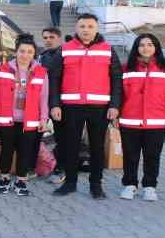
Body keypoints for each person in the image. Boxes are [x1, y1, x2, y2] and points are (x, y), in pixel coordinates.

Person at [49, 13, 123, 199]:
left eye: (90, 26)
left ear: (97, 29)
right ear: (76, 28)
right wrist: (55, 104)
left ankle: (96, 185)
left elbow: (116, 79)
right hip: (71, 107)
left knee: (97, 147)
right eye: (82, 26)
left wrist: (114, 105)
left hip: (99, 108)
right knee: (70, 146)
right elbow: (54, 79)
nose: (86, 30)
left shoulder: (108, 50)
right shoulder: (65, 49)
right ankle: (70, 183)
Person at [0, 34, 49, 196]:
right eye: (22, 51)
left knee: (25, 151)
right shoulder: (3, 70)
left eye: (29, 52)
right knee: (6, 150)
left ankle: (21, 180)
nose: (25, 55)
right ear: (16, 52)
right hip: (6, 119)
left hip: (30, 121)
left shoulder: (41, 72)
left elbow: (44, 98)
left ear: (34, 53)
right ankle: (5, 179)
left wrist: (44, 119)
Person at [118, 34, 165, 202]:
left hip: (156, 120)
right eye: (142, 45)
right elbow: (119, 93)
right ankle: (130, 185)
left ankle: (150, 187)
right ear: (136, 48)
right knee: (130, 155)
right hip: (130, 119)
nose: (146, 48)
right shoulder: (126, 68)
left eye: (150, 44)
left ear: (156, 47)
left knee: (152, 155)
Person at [39, 27, 66, 184]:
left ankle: (61, 169)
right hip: (43, 102)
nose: (48, 40)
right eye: (45, 37)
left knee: (62, 138)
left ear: (59, 38)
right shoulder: (42, 56)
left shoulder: (64, 54)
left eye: (52, 37)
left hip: (61, 103)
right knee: (39, 136)